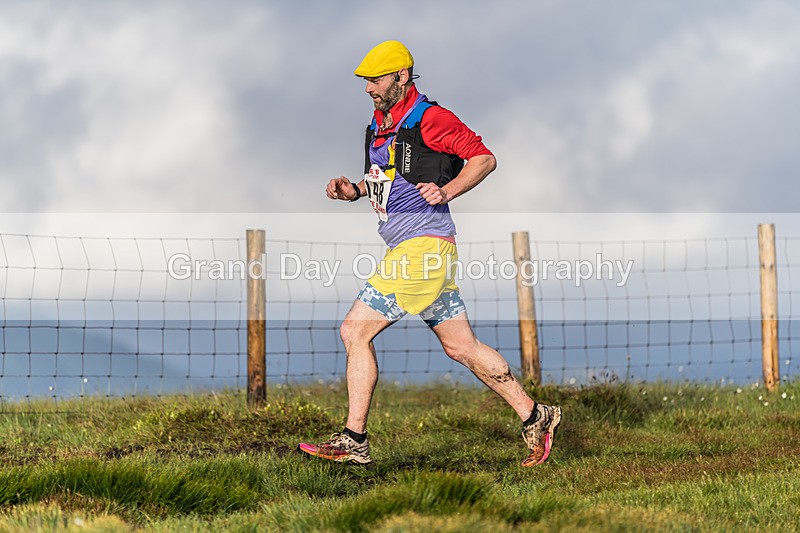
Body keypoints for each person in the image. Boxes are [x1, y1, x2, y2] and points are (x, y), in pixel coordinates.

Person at [298, 40, 562, 467]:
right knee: (462, 347)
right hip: (417, 248)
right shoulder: (382, 122)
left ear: (402, 76)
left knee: (354, 331)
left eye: (376, 80)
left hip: (424, 247)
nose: (368, 88)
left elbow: (484, 159)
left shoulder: (432, 118)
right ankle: (536, 415)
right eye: (365, 81)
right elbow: (386, 176)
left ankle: (353, 440)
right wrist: (355, 191)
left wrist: (447, 190)